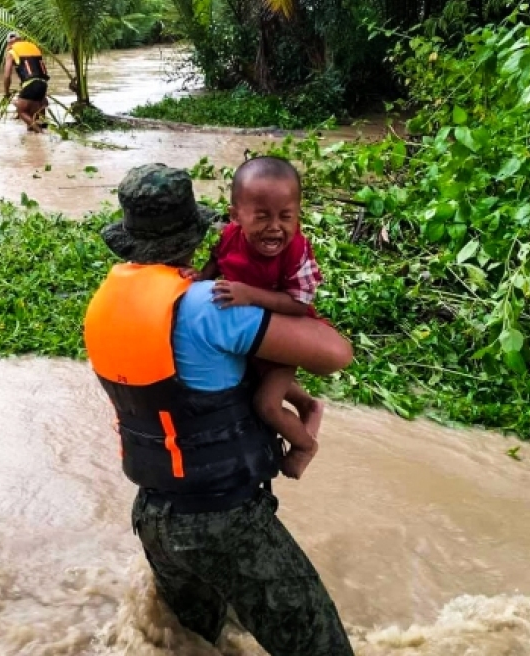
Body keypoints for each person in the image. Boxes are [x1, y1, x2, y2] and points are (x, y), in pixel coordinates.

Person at [82, 164, 355, 655]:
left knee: (193, 644)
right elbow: (336, 354)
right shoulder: (210, 304)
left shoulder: (105, 303)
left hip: (153, 514)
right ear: (197, 232)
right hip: (224, 518)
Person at [183, 156, 326, 479]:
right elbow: (216, 265)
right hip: (250, 332)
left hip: (287, 332)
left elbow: (299, 304)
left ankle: (304, 445)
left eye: (286, 217)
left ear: (298, 215)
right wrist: (198, 279)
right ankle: (309, 405)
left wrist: (248, 294)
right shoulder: (229, 236)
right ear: (236, 216)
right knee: (253, 381)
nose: (275, 226)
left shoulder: (297, 251)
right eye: (262, 216)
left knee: (267, 405)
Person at [3, 33, 49, 133]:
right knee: (34, 119)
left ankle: (41, 134)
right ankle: (38, 141)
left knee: (22, 111)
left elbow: (7, 75)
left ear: (9, 44)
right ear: (21, 39)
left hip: (30, 84)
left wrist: (6, 93)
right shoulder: (33, 47)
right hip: (43, 84)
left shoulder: (11, 51)